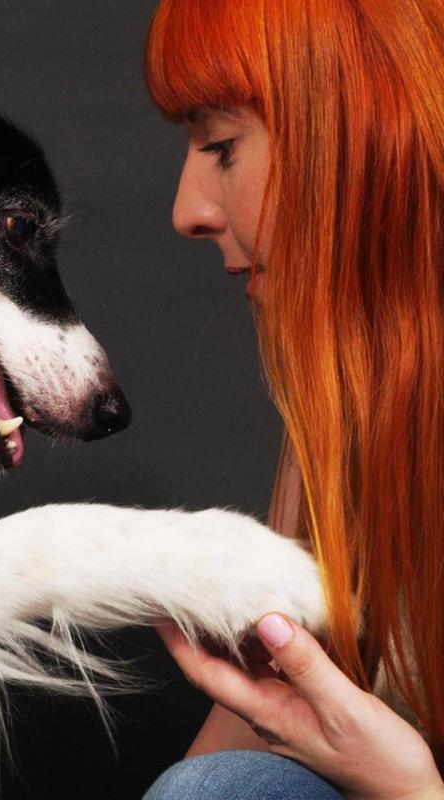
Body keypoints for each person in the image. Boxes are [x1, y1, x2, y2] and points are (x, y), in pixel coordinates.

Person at [142, 1, 444, 798]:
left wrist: (410, 790)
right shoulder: (353, 389)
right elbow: (260, 726)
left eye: (221, 146)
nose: (187, 211)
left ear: (366, 126)